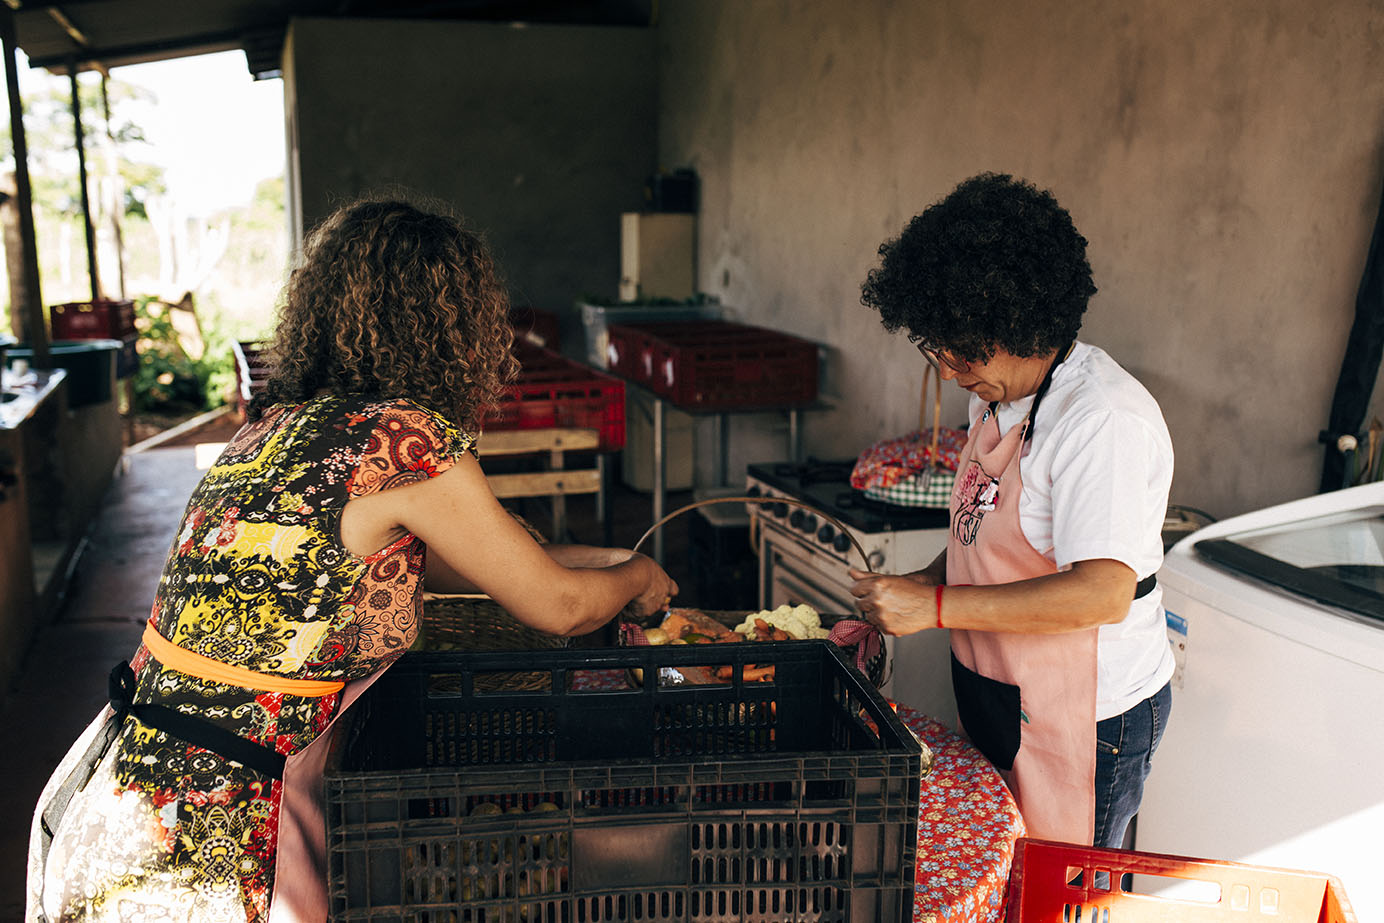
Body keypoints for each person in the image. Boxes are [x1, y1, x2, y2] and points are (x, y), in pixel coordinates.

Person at [26, 198, 677, 923]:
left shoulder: (275, 433)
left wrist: (607, 562)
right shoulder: (405, 441)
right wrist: (639, 576)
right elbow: (556, 605)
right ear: (452, 326)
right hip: (210, 841)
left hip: (126, 800)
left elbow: (485, 562)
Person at [850, 173, 1174, 848]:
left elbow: (1102, 590)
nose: (945, 369)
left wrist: (936, 610)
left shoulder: (1100, 420)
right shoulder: (997, 398)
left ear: (1017, 325)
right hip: (1006, 689)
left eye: (958, 349)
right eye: (935, 347)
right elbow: (984, 539)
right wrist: (922, 584)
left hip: (1090, 717)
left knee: (1064, 895)